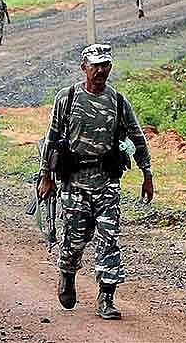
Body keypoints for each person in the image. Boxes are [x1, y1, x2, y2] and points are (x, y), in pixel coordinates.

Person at [36, 43, 154, 319]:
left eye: (106, 65)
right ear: (84, 68)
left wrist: (147, 174)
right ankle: (67, 272)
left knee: (109, 239)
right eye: (96, 65)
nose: (101, 70)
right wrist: (46, 176)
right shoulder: (68, 98)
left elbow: (138, 139)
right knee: (75, 240)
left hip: (107, 183)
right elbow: (52, 139)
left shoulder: (118, 101)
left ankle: (107, 298)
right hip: (74, 182)